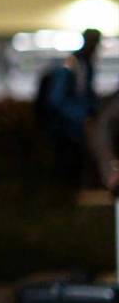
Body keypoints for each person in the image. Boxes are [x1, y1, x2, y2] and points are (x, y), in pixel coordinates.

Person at [37, 28, 102, 186]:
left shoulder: (84, 65)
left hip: (73, 127)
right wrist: (82, 117)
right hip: (65, 128)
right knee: (68, 165)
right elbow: (57, 99)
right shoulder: (73, 65)